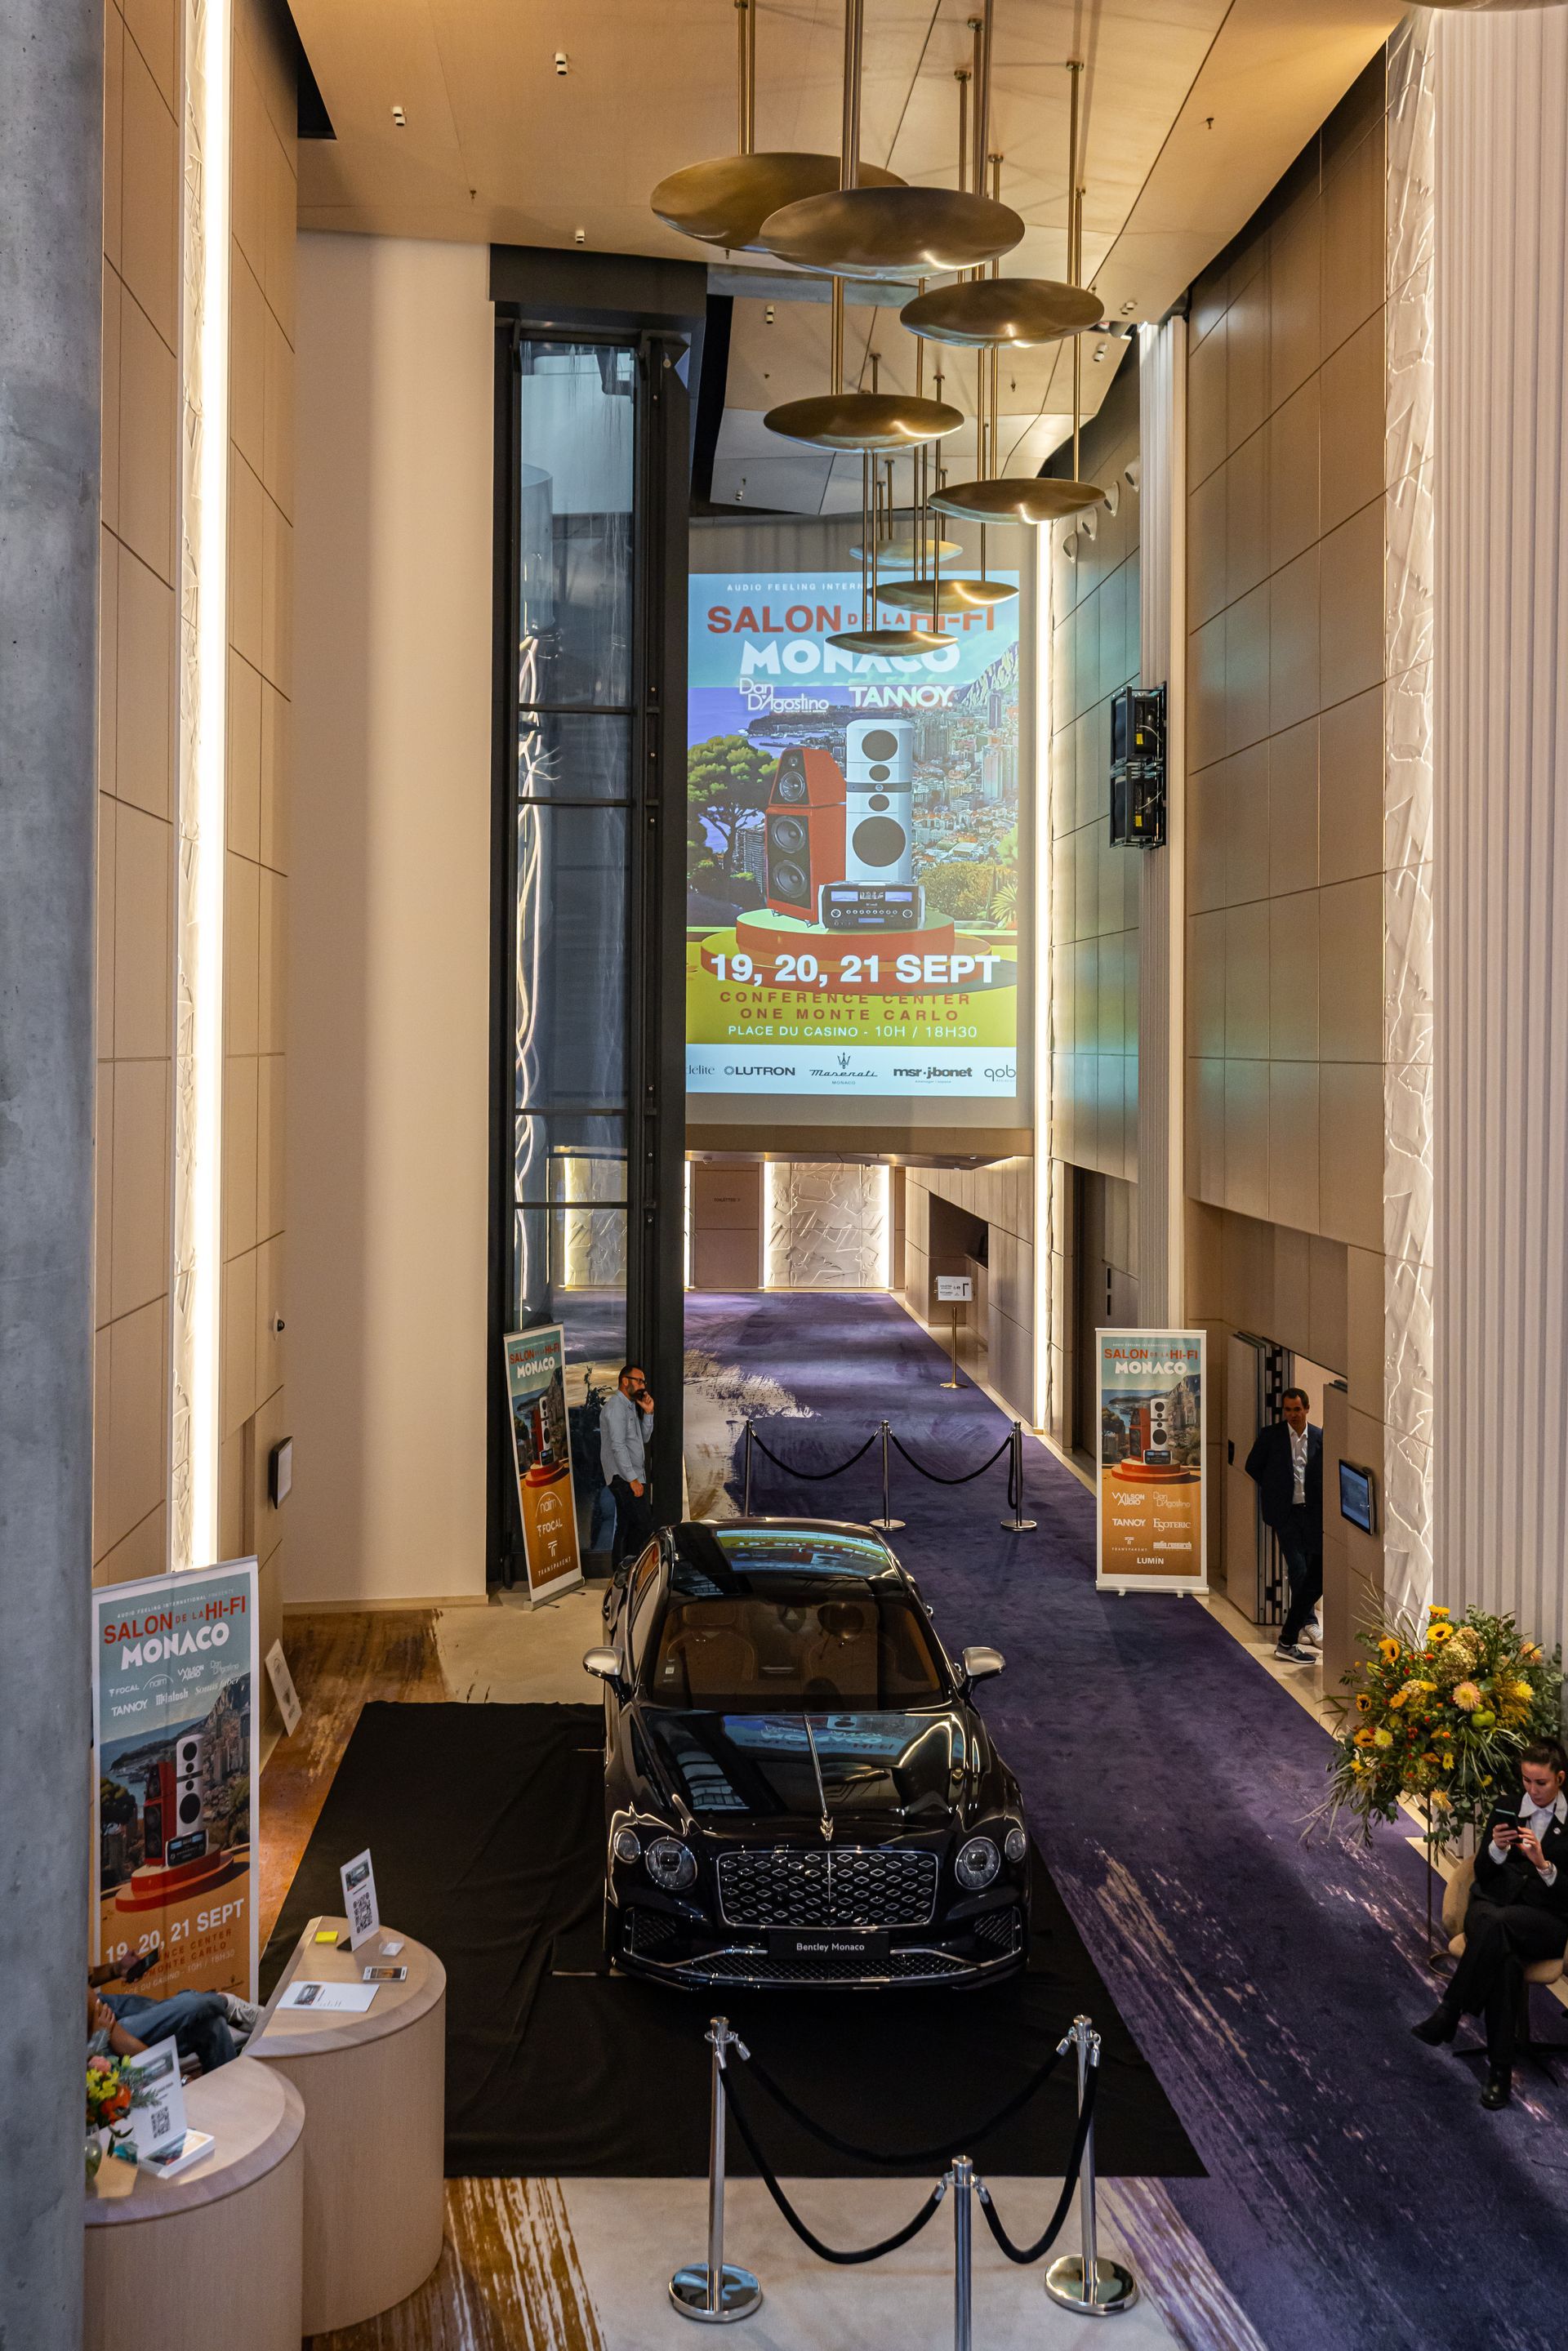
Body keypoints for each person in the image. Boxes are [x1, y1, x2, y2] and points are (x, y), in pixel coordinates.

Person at [1412, 1739, 1568, 2108]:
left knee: (1500, 1932)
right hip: (1491, 1906)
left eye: (1541, 1783)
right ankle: (1499, 2070)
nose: (1532, 1790)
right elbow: (1482, 1871)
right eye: (1526, 1780)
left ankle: (1450, 2012)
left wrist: (1544, 1865)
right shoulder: (1506, 1806)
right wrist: (1496, 1849)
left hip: (1544, 1919)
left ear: (1560, 1778)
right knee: (1505, 1957)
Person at [1245, 1387, 1322, 1664]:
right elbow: (1252, 1466)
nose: (1292, 1415)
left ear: (1307, 1409)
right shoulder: (1271, 1436)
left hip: (1311, 1514)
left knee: (1312, 1569)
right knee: (1299, 1568)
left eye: (1297, 1409)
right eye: (1288, 1410)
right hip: (1285, 1513)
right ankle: (1309, 1622)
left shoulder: (1319, 1437)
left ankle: (1301, 1625)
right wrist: (1275, 1488)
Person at [87, 1979, 259, 2077]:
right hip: (97, 2048)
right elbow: (122, 2043)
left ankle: (229, 2098)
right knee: (194, 2008)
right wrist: (177, 2078)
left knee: (212, 2024)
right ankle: (224, 2003)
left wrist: (114, 1969)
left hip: (104, 2020)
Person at [600, 1362, 655, 1568]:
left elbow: (644, 1438)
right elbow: (618, 1446)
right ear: (625, 1381)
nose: (643, 1386)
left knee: (627, 1526)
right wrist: (632, 1480)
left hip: (631, 1476)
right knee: (643, 1525)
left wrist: (648, 1413)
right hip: (623, 1477)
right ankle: (630, 1570)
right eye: (639, 1381)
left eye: (643, 1382)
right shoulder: (616, 1407)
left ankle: (622, 1572)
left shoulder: (630, 1407)